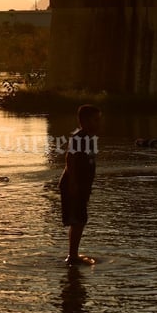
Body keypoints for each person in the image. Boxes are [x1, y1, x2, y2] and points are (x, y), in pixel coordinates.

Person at [58, 104, 101, 266]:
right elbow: (71, 159)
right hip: (73, 185)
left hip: (82, 185)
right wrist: (74, 183)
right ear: (84, 121)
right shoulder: (79, 137)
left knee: (79, 219)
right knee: (78, 220)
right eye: (95, 120)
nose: (99, 123)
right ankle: (73, 256)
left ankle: (73, 254)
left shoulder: (90, 138)